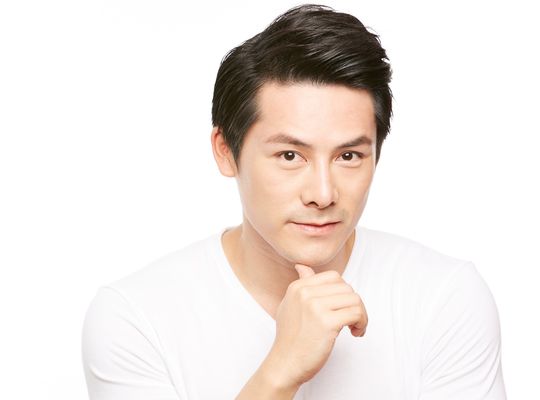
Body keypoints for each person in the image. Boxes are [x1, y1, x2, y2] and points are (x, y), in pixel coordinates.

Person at [81, 4, 506, 399]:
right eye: (290, 156)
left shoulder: (444, 297)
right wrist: (281, 371)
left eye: (348, 156)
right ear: (225, 151)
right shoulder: (136, 317)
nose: (323, 194)